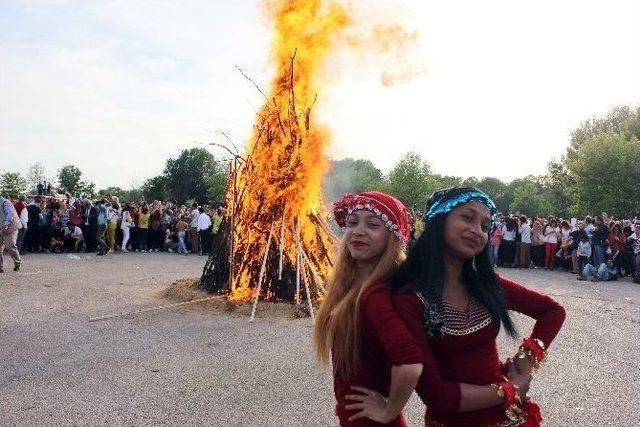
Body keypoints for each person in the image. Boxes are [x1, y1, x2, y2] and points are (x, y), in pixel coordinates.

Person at [352, 187, 566, 427]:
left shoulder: (486, 284)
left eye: (485, 226)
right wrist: (510, 389)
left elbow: (553, 311)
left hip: (512, 418)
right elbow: (437, 395)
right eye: (467, 217)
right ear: (439, 220)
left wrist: (524, 362)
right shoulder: (410, 299)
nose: (477, 231)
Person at [314, 191, 423, 426]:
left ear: (392, 237)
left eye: (373, 225)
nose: (358, 231)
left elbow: (410, 364)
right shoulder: (355, 286)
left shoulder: (375, 295)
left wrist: (388, 411)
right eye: (352, 223)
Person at [1, 193, 23, 273]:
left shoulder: (5, 202)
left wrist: (6, 225)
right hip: (1, 227)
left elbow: (10, 214)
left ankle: (17, 262)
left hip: (11, 227)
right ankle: (0, 267)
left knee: (10, 246)